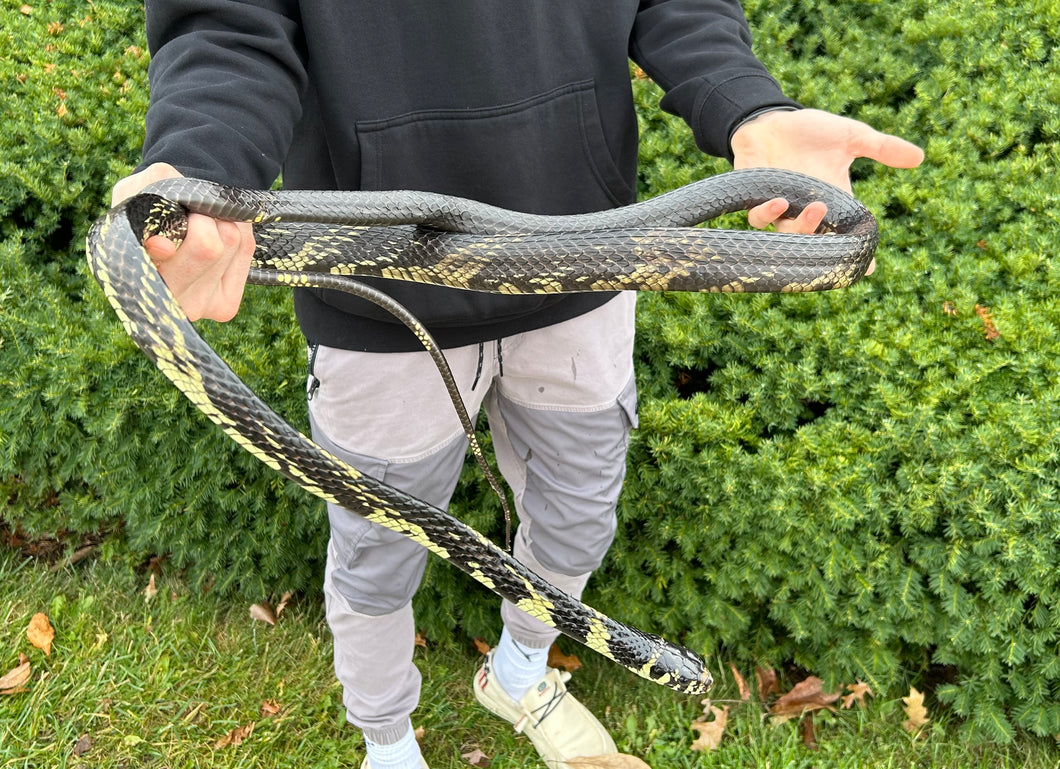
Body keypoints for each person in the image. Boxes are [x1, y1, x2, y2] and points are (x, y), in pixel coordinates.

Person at [111, 3, 923, 767]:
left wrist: (746, 105)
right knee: (377, 551)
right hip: (378, 293)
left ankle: (521, 669)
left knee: (577, 513)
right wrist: (200, 174)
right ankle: (387, 739)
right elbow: (226, 24)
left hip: (586, 272)